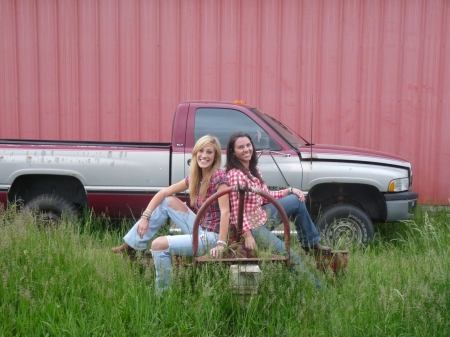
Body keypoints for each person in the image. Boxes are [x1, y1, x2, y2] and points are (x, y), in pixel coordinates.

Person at [112, 135, 230, 291]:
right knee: (168, 200)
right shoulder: (196, 177)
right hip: (200, 226)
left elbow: (225, 211)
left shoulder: (218, 177)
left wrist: (221, 244)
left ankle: (162, 294)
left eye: (209, 152)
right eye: (201, 151)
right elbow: (163, 192)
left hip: (212, 237)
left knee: (158, 244)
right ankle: (133, 245)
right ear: (195, 153)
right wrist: (144, 217)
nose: (204, 155)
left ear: (215, 157)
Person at [225, 132, 330, 287]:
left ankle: (310, 244)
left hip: (261, 216)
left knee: (296, 200)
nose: (246, 149)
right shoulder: (235, 175)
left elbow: (266, 196)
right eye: (241, 147)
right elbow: (235, 210)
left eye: (248, 145)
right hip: (250, 227)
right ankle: (319, 290)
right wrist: (247, 236)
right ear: (233, 152)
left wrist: (288, 190)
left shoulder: (253, 170)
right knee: (290, 254)